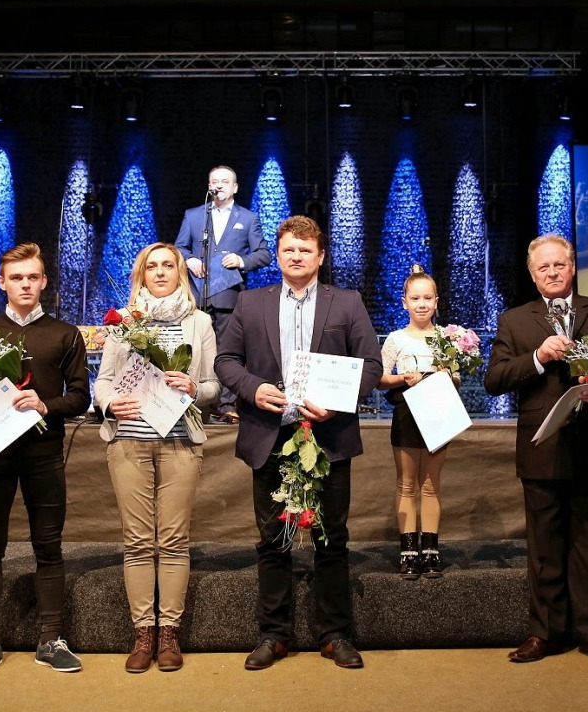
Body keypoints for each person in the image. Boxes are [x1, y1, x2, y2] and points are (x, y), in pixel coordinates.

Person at [214, 215, 383, 671]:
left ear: (320, 257)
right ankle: (273, 635)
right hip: (269, 435)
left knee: (332, 540)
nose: (296, 256)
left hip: (328, 436)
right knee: (272, 540)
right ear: (278, 255)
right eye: (288, 249)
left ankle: (335, 634)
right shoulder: (250, 303)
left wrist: (336, 404)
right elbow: (225, 360)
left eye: (305, 250)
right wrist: (252, 388)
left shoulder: (346, 302)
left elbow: (371, 364)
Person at [483, 234, 588, 669]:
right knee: (543, 547)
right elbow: (494, 380)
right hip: (541, 448)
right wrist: (538, 358)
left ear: (573, 266)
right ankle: (543, 633)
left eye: (559, 264)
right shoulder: (514, 320)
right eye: (543, 267)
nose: (552, 272)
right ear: (532, 274)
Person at [0, 242, 90, 679]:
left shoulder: (65, 334)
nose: (25, 284)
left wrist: (46, 405)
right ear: (2, 283)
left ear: (44, 281)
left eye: (32, 277)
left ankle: (51, 639)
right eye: (16, 278)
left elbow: (80, 397)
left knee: (48, 546)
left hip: (43, 455)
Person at [95, 242, 219, 673]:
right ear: (141, 274)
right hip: (129, 442)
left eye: (169, 265)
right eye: (153, 266)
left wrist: (194, 388)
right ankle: (143, 633)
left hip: (180, 441)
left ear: (180, 273)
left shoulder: (200, 322)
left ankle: (169, 633)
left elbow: (214, 385)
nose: (161, 272)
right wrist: (109, 403)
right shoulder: (124, 321)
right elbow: (103, 382)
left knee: (173, 540)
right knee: (136, 541)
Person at [175, 165, 271, 424]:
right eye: (214, 181)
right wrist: (189, 259)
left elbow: (264, 254)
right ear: (209, 186)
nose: (219, 185)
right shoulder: (194, 215)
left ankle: (226, 404)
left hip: (229, 296)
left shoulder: (248, 218)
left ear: (235, 187)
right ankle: (192, 402)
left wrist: (241, 260)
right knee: (194, 348)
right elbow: (179, 247)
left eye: (224, 181)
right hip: (197, 294)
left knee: (227, 351)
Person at [379, 264, 456, 579]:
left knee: (431, 483)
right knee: (407, 483)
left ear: (436, 301)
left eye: (427, 298)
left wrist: (449, 375)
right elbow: (380, 378)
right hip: (407, 412)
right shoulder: (395, 339)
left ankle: (431, 550)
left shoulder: (448, 337)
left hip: (439, 410)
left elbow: (458, 377)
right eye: (415, 298)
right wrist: (403, 378)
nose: (421, 304)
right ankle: (408, 551)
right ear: (404, 302)